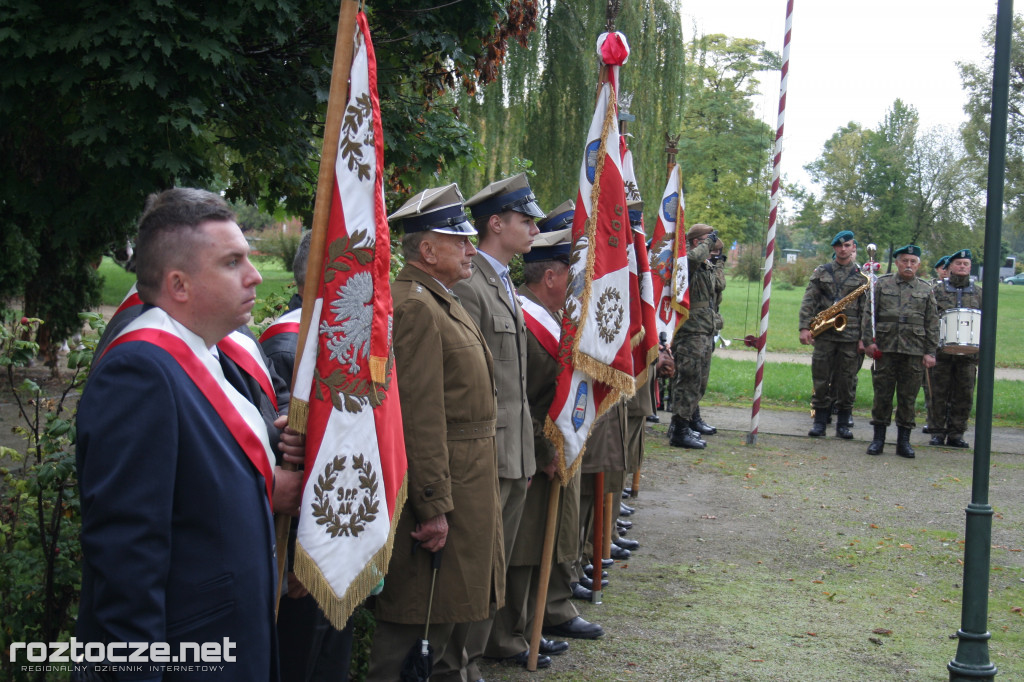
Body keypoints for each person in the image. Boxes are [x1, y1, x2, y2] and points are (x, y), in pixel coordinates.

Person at [76, 188, 302, 681]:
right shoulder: (139, 372)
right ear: (179, 284)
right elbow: (127, 565)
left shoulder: (212, 352)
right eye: (232, 262)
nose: (256, 275)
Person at [366, 184, 504, 681]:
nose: (471, 247)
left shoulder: (438, 297)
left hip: (465, 480)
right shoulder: (416, 306)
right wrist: (432, 505)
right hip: (444, 490)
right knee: (412, 631)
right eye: (459, 239)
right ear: (427, 250)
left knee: (444, 625)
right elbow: (418, 416)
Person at [441, 172, 546, 676]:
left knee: (493, 569)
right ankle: (454, 663)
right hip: (484, 453)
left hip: (513, 451)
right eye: (526, 221)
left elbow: (514, 383)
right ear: (496, 224)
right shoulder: (470, 287)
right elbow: (465, 384)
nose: (533, 230)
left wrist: (526, 452)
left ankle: (471, 658)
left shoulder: (500, 282)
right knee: (474, 568)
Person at [506, 203, 604, 659]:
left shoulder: (554, 317)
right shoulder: (526, 318)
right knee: (523, 543)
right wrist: (544, 451)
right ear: (551, 276)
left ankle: (530, 620)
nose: (580, 283)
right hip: (532, 450)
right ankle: (511, 631)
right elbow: (519, 396)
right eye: (573, 273)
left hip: (549, 448)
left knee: (545, 536)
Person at [260, 231, 357, 682]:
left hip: (342, 528)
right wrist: (302, 552)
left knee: (331, 653)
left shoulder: (344, 340)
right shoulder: (288, 342)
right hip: (309, 537)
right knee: (302, 657)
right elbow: (287, 450)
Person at [861, 245, 940, 458]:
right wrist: (869, 341)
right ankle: (878, 439)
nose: (908, 265)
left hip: (913, 351)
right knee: (882, 395)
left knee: (908, 397)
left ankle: (903, 441)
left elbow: (932, 323)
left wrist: (930, 352)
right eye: (904, 261)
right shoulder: (882, 284)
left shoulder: (925, 289)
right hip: (885, 348)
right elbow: (869, 314)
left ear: (919, 265)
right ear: (897, 263)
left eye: (913, 262)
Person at [798, 230, 868, 439]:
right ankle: (820, 421)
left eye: (848, 245)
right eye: (840, 246)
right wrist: (804, 327)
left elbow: (867, 311)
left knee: (847, 380)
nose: (843, 249)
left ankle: (843, 423)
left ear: (853, 247)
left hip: (851, 335)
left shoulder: (862, 277)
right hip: (825, 333)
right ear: (834, 248)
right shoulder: (821, 272)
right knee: (820, 378)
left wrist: (865, 338)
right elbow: (808, 300)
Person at [668, 224, 720, 449]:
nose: (713, 242)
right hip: (690, 331)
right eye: (708, 239)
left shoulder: (705, 264)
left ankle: (686, 423)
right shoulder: (684, 261)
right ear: (697, 241)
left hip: (704, 328)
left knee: (699, 382)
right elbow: (690, 260)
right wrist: (707, 244)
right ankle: (679, 430)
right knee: (687, 380)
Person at [928, 249, 982, 448]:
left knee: (964, 394)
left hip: (968, 354)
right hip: (941, 351)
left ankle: (956, 433)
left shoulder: (978, 292)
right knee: (938, 393)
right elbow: (929, 318)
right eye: (958, 263)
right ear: (950, 266)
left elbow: (985, 321)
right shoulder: (937, 290)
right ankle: (937, 432)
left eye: (966, 264)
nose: (962, 266)